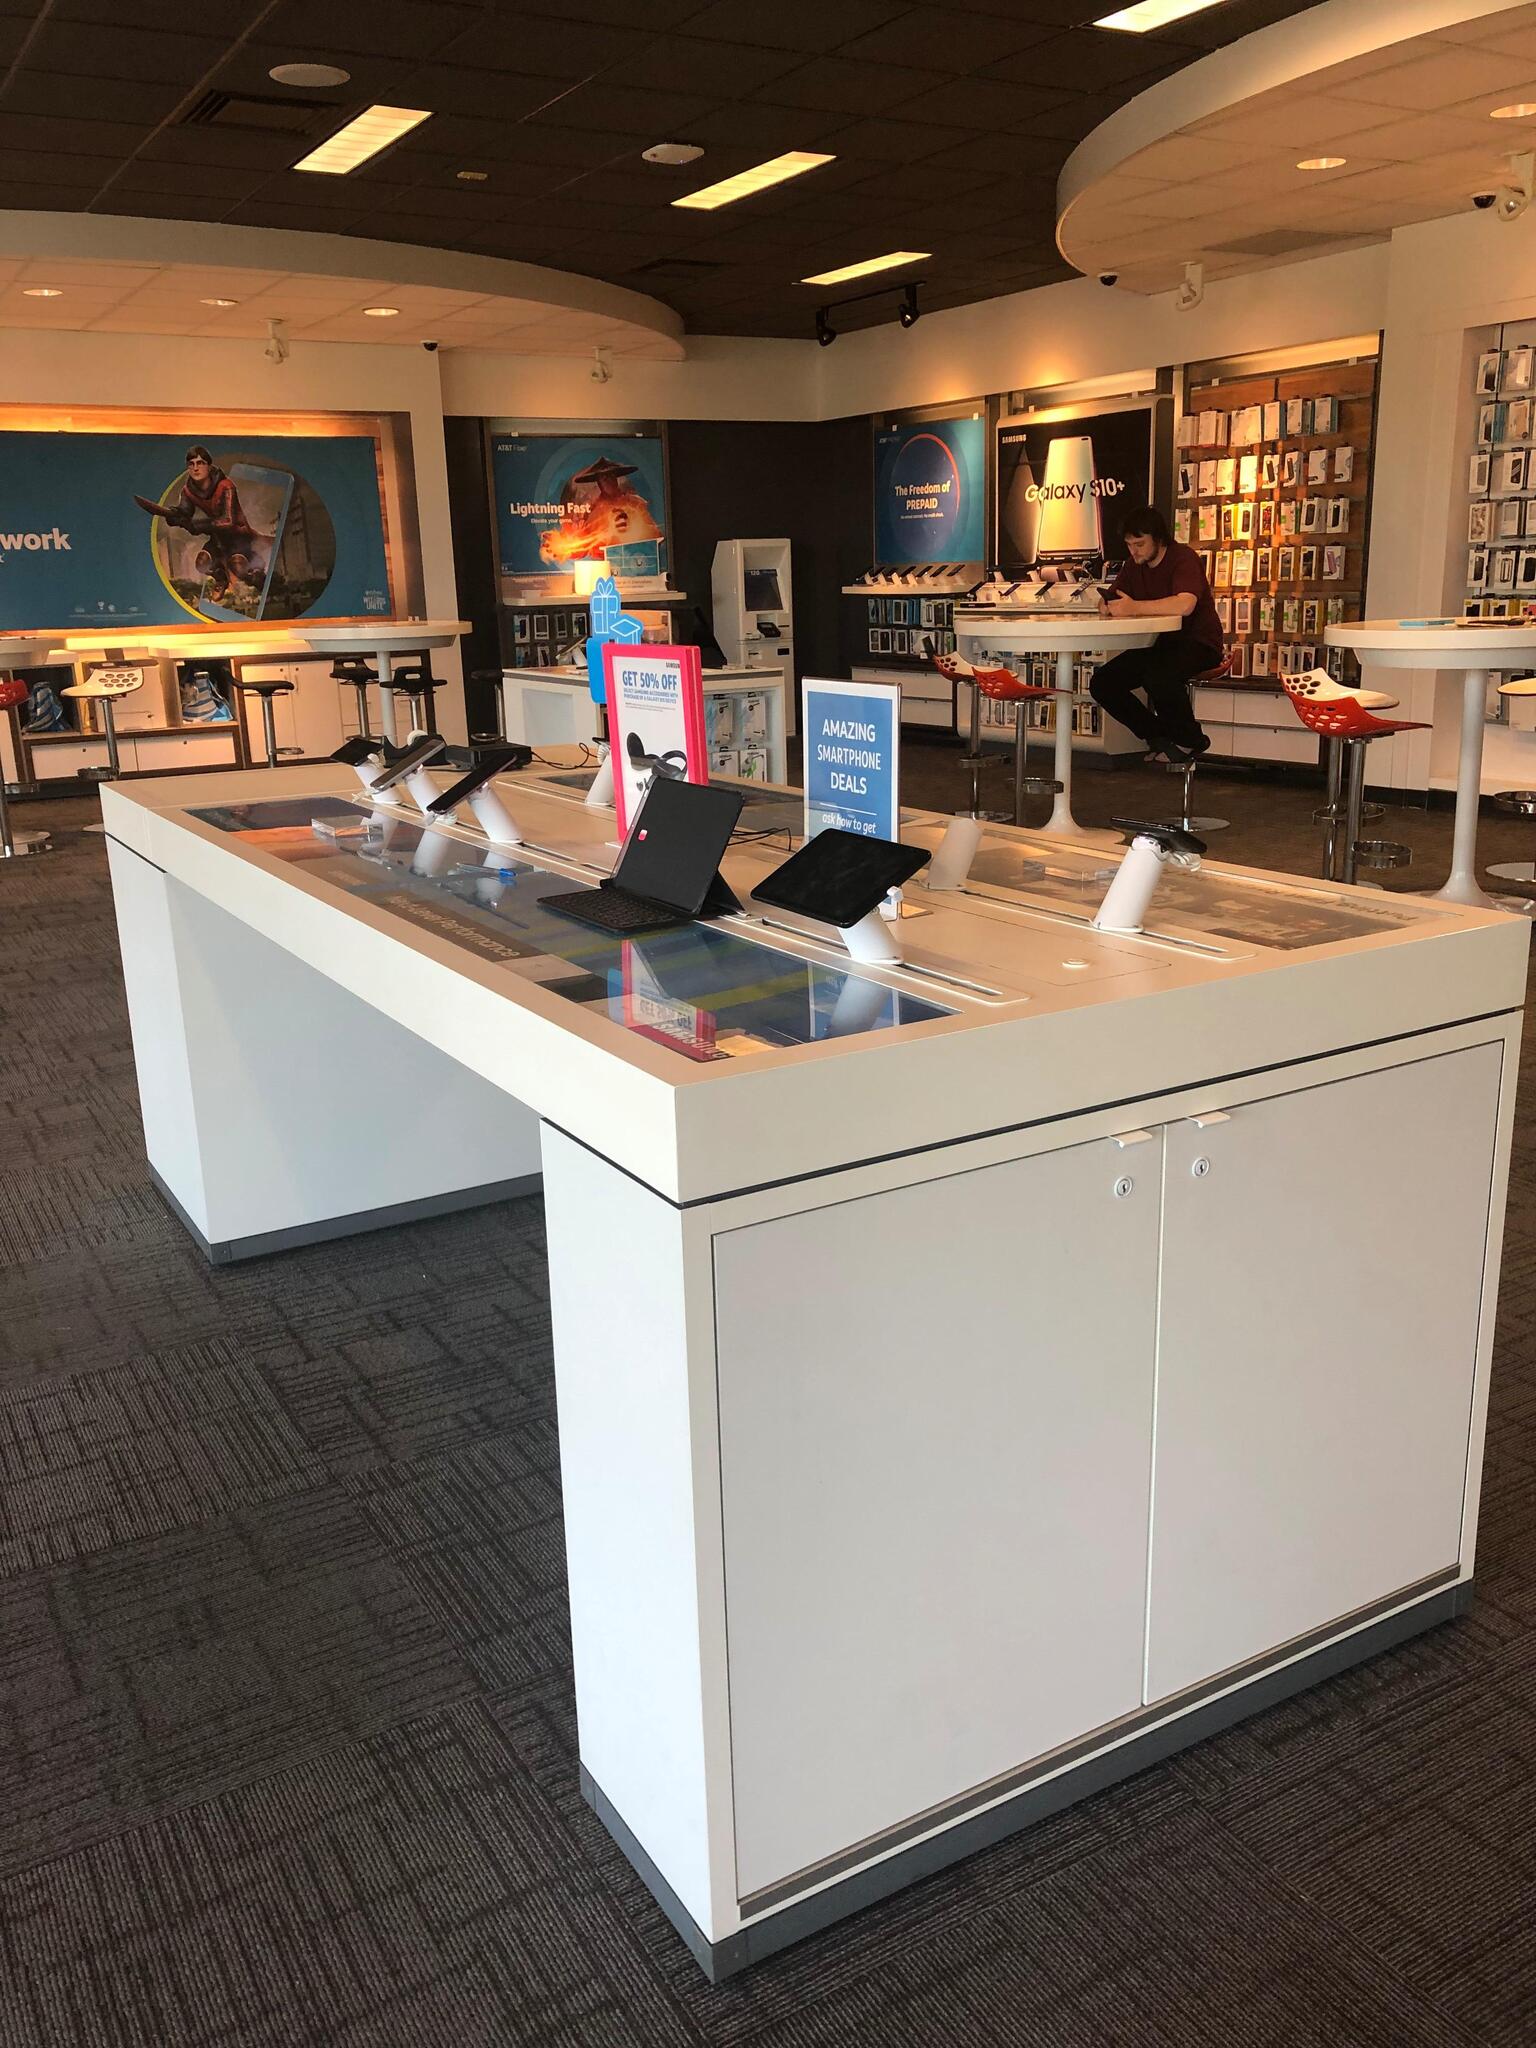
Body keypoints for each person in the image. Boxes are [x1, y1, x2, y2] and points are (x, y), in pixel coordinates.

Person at [1089, 506, 1223, 762]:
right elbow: (1111, 597)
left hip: (1199, 642)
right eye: (1129, 545)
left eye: (1139, 544)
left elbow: (1185, 604)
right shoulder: (1133, 565)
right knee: (1102, 683)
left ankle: (1190, 740)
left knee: (1158, 675)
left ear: (1158, 538)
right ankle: (1159, 736)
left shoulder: (1183, 558)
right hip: (1159, 645)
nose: (1133, 551)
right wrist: (1107, 605)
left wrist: (1133, 608)